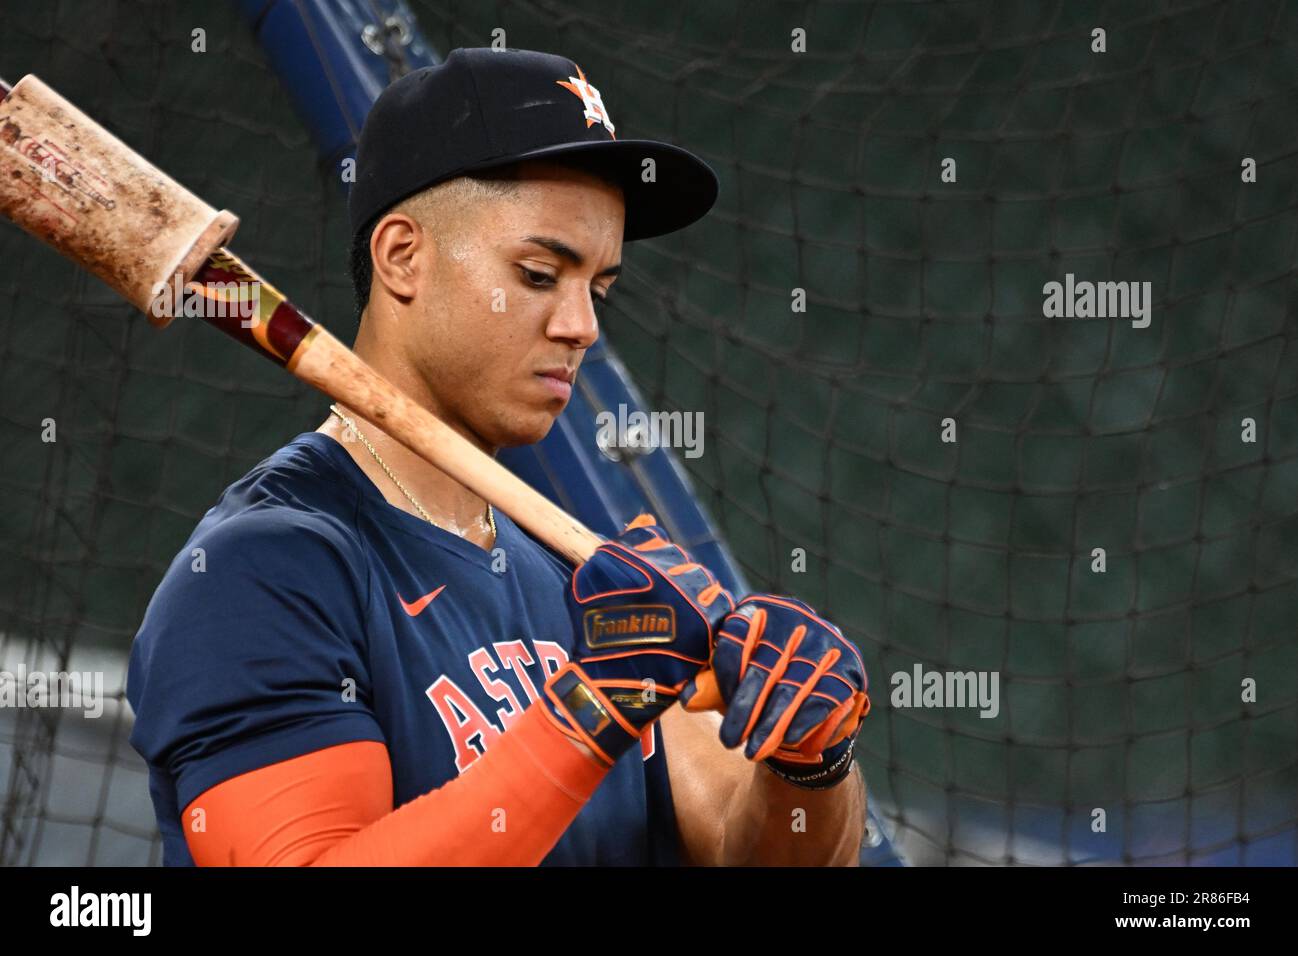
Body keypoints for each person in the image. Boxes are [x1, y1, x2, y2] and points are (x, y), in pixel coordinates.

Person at [127, 47, 869, 866]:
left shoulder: (582, 581)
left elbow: (748, 846)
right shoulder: (265, 571)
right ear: (402, 256)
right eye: (540, 273)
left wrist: (810, 759)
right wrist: (593, 710)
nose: (581, 325)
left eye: (600, 288)